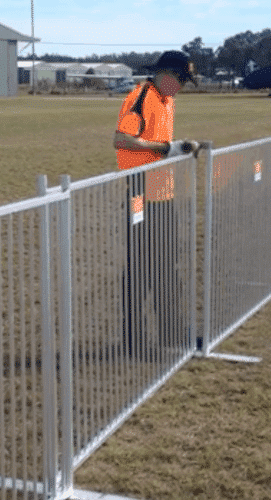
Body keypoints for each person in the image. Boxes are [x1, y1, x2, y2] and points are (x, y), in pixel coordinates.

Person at [112, 50, 199, 358]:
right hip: (139, 194)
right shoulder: (141, 97)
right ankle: (134, 342)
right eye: (181, 80)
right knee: (140, 269)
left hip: (163, 193)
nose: (182, 87)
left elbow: (161, 147)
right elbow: (121, 139)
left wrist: (178, 149)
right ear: (166, 74)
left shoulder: (167, 101)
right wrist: (167, 148)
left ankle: (171, 334)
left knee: (166, 266)